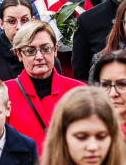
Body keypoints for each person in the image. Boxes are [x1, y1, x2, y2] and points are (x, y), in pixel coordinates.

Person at [5, 20, 84, 150]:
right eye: (30, 51)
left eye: (45, 49)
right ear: (19, 54)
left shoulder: (79, 92)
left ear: (55, 49)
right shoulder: (4, 93)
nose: (39, 56)